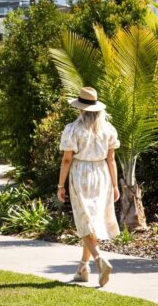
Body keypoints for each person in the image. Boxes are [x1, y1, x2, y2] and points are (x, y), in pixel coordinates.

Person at [57, 86, 121, 287]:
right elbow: (112, 160)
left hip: (80, 174)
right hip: (102, 175)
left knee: (84, 221)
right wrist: (116, 185)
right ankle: (83, 268)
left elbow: (67, 160)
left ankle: (99, 260)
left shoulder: (73, 129)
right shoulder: (108, 129)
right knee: (93, 221)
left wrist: (60, 185)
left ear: (80, 108)